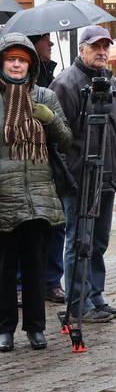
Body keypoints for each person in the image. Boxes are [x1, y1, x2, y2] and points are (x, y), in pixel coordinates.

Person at [50, 25, 116, 323]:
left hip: (109, 176)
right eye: (96, 46)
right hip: (81, 177)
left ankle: (95, 297)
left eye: (106, 46)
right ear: (81, 49)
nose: (102, 52)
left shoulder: (111, 82)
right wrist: (69, 175)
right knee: (80, 241)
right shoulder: (67, 84)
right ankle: (77, 303)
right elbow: (57, 137)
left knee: (99, 242)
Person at [0, 34, 73, 352]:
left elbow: (68, 140)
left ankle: (35, 328)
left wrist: (50, 119)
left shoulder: (45, 95)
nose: (16, 64)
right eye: (10, 59)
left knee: (35, 267)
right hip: (3, 195)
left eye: (22, 60)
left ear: (30, 64)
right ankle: (4, 330)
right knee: (3, 269)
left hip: (40, 194)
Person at [18, 33, 64, 304]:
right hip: (15, 167)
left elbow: (64, 133)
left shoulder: (50, 77)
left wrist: (50, 118)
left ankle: (51, 282)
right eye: (45, 39)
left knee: (54, 226)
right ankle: (20, 284)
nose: (50, 43)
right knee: (18, 229)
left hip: (47, 166)